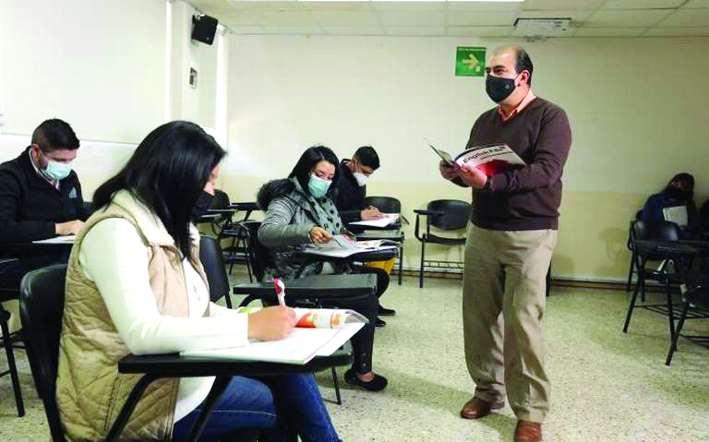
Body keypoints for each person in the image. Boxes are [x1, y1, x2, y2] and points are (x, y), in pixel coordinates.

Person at [56, 121, 340, 441]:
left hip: (171, 372)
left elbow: (193, 306)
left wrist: (262, 321)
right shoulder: (115, 231)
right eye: (208, 179)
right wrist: (249, 327)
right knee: (284, 400)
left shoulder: (167, 225)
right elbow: (142, 334)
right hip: (132, 398)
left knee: (288, 367)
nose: (212, 192)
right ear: (177, 177)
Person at [439, 47, 571, 442]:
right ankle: (487, 392)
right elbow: (477, 169)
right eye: (489, 70)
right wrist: (457, 174)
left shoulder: (551, 117)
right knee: (478, 320)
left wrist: (491, 182)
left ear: (523, 76)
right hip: (482, 230)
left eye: (499, 70)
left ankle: (530, 412)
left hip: (530, 233)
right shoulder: (485, 120)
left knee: (523, 323)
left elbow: (546, 172)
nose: (491, 77)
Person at [257, 145, 388, 391]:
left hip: (323, 267)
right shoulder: (286, 198)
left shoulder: (324, 199)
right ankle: (361, 371)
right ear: (304, 171)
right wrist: (306, 231)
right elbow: (267, 232)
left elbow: (336, 229)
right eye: (319, 175)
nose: (324, 181)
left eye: (329, 177)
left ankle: (345, 346)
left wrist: (346, 238)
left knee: (374, 280)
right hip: (295, 273)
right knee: (364, 297)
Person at [0, 119, 89, 288]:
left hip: (65, 256)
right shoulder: (8, 176)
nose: (66, 166)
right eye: (59, 160)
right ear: (35, 152)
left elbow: (79, 216)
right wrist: (59, 228)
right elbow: (4, 228)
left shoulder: (69, 177)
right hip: (22, 260)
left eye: (71, 160)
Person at [333, 145, 396, 320]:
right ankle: (367, 302)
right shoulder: (336, 178)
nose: (366, 176)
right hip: (340, 234)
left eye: (370, 174)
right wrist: (359, 214)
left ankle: (372, 300)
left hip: (357, 231)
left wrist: (368, 210)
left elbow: (357, 206)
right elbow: (331, 214)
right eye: (365, 172)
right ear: (354, 161)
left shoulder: (359, 180)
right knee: (377, 260)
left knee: (389, 252)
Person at [640, 173, 698, 237]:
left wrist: (682, 229)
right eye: (676, 183)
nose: (679, 187)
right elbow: (646, 223)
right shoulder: (654, 200)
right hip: (657, 238)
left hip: (681, 239)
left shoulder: (689, 204)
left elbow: (694, 226)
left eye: (684, 185)